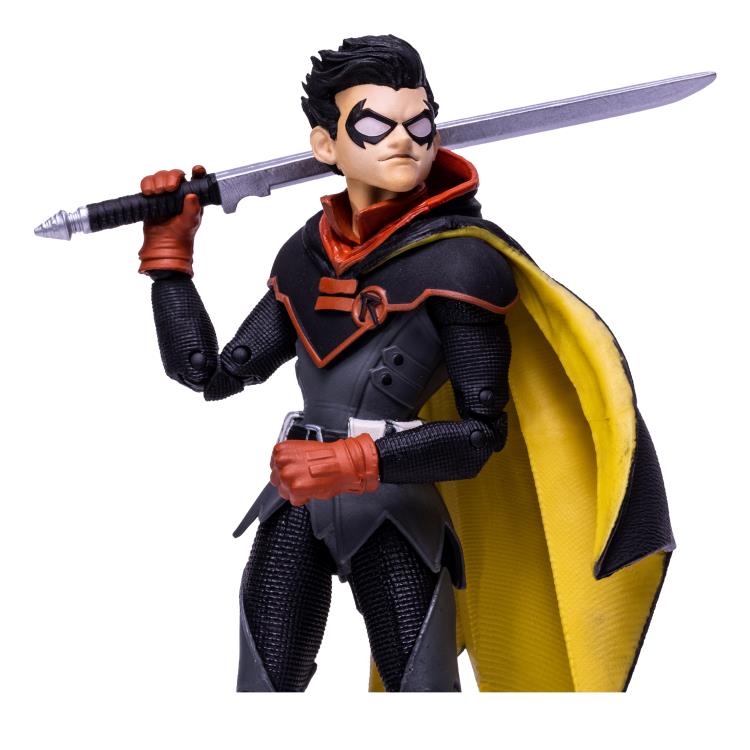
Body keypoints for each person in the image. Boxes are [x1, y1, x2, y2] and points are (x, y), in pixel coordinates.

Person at [136, 35, 673, 692]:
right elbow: (210, 374)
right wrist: (169, 259)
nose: (403, 141)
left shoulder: (460, 260)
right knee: (261, 686)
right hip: (295, 498)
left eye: (419, 124)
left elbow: (481, 435)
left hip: (392, 505)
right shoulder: (304, 255)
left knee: (421, 693)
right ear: (326, 144)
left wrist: (353, 461)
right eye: (373, 126)